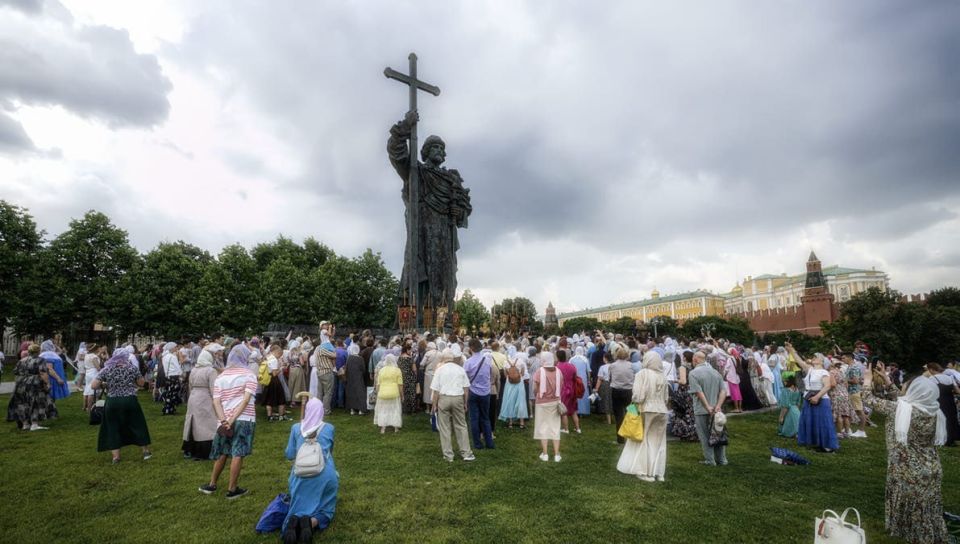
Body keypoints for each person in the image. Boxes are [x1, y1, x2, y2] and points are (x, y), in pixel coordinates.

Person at [862, 364, 949, 543]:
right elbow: (904, 400)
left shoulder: (901, 410)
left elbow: (868, 398)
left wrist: (867, 380)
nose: (903, 389)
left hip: (908, 470)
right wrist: (888, 381)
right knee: (928, 510)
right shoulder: (934, 410)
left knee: (914, 513)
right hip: (931, 468)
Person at [200, 344, 258, 499]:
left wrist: (224, 420)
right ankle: (232, 489)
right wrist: (232, 419)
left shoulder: (221, 377)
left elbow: (216, 402)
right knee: (238, 453)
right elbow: (246, 400)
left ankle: (212, 484)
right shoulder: (249, 375)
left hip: (224, 420)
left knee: (223, 452)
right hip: (244, 418)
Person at [282, 398, 338, 543]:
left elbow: (289, 454)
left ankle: (294, 521)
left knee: (298, 504)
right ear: (321, 412)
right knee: (327, 510)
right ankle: (311, 522)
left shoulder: (295, 428)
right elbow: (329, 453)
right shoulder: (329, 428)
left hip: (300, 475)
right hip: (325, 475)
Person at [90, 348, 152, 464]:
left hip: (113, 401)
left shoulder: (107, 369)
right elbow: (141, 383)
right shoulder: (132, 368)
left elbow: (93, 386)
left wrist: (105, 383)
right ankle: (145, 452)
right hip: (130, 400)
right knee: (138, 424)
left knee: (112, 427)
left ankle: (116, 457)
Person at [617, 351, 670, 481]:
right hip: (662, 410)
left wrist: (633, 405)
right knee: (659, 442)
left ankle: (643, 471)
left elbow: (638, 395)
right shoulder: (663, 376)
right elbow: (666, 397)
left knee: (644, 439)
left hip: (646, 408)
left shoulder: (642, 374)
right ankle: (658, 472)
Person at [430, 349, 475, 462]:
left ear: (444, 359)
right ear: (453, 359)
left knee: (445, 427)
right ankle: (466, 453)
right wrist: (465, 402)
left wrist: (434, 405)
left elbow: (435, 390)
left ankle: (448, 455)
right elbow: (466, 389)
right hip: (457, 398)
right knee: (461, 425)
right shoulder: (460, 369)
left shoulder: (440, 370)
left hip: (443, 398)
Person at [792, 346, 839, 453]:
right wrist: (791, 350)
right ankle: (815, 443)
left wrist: (817, 397)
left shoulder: (824, 372)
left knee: (822, 422)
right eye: (813, 356)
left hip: (821, 399)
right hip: (809, 397)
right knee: (811, 421)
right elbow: (798, 360)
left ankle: (827, 446)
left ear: (822, 361)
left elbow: (827, 386)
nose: (813, 358)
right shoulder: (810, 369)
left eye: (816, 357)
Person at [182, 344, 221, 461]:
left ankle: (190, 449)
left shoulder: (194, 370)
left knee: (193, 423)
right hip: (205, 398)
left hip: (193, 397)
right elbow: (214, 389)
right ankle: (205, 451)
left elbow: (190, 386)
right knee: (207, 424)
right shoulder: (211, 371)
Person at [688, 351, 728, 466]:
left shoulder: (693, 373)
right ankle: (722, 459)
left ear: (695, 360)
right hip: (717, 410)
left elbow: (699, 392)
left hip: (702, 409)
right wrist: (718, 406)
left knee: (704, 435)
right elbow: (723, 391)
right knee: (719, 434)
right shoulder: (715, 372)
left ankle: (710, 460)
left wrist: (707, 406)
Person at [6, 344, 58, 430]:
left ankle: (25, 424)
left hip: (22, 383)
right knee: (36, 402)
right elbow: (43, 373)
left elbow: (16, 372)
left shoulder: (22, 360)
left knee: (24, 403)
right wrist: (48, 383)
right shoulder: (40, 360)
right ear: (38, 351)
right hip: (35, 383)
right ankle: (34, 424)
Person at [464, 338, 496, 450]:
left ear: (471, 348)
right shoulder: (488, 360)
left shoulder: (468, 362)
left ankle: (477, 444)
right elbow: (491, 373)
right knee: (485, 418)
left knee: (474, 418)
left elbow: (464, 378)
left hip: (473, 391)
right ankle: (489, 443)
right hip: (486, 391)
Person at [532, 349, 563, 462]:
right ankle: (556, 455)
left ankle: (545, 454)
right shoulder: (559, 371)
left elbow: (535, 388)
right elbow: (561, 386)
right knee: (555, 427)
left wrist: (538, 394)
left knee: (542, 427)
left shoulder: (539, 372)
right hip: (555, 402)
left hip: (542, 402)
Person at [928, 363, 960, 447]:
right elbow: (957, 391)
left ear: (931, 369)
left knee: (941, 420)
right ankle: (952, 439)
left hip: (939, 401)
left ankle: (942, 438)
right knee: (951, 419)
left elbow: (930, 391)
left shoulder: (932, 378)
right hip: (950, 401)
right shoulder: (950, 378)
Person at [609, 344, 635, 444]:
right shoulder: (631, 366)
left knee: (619, 415)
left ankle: (620, 439)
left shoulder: (612, 366)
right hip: (629, 392)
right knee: (632, 413)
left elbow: (610, 377)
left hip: (616, 391)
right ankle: (632, 435)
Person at [669, 351, 698, 441]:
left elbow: (683, 381)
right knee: (691, 412)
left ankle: (684, 431)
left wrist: (675, 380)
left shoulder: (683, 367)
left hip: (684, 391)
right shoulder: (694, 367)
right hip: (692, 390)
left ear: (685, 357)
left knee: (680, 411)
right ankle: (694, 431)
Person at [499, 346, 529, 428]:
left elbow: (505, 375)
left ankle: (510, 423)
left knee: (509, 401)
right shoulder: (520, 361)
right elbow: (522, 373)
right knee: (521, 401)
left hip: (509, 384)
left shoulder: (506, 362)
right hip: (519, 383)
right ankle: (522, 423)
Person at [374, 354, 403, 433]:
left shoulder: (381, 370)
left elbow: (378, 384)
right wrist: (402, 395)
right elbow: (400, 384)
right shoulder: (397, 370)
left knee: (383, 410)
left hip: (382, 393)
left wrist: (377, 393)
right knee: (395, 410)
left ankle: (383, 428)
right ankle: (396, 428)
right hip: (394, 393)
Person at [261, 345, 289, 422]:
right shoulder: (274, 360)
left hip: (268, 379)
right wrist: (281, 368)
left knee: (269, 398)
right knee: (281, 398)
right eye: (279, 354)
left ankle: (269, 416)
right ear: (276, 352)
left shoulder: (268, 357)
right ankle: (281, 415)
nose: (279, 356)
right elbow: (274, 373)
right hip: (274, 380)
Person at [556, 350, 581, 434]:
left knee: (563, 410)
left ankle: (566, 429)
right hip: (572, 388)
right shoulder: (571, 366)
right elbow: (575, 376)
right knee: (573, 410)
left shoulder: (557, 367)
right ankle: (578, 429)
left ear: (558, 357)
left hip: (562, 389)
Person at [829, 358, 854, 439]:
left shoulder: (831, 372)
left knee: (839, 415)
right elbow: (846, 385)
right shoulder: (843, 372)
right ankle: (847, 432)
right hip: (845, 394)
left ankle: (839, 433)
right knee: (846, 415)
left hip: (836, 395)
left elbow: (832, 385)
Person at [310, 342, 337, 413]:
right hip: (327, 371)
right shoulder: (323, 349)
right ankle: (326, 410)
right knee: (328, 392)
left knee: (320, 392)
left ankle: (318, 408)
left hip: (320, 372)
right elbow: (334, 355)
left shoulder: (317, 349)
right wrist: (333, 350)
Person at [344, 343, 367, 415]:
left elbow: (346, 368)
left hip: (350, 377)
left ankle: (352, 409)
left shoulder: (349, 358)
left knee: (351, 393)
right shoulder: (360, 359)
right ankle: (360, 410)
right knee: (360, 393)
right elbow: (363, 369)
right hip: (358, 378)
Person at [161, 341, 183, 415]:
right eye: (176, 347)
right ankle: (171, 409)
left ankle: (168, 408)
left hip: (167, 376)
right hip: (174, 376)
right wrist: (181, 374)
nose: (177, 348)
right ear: (172, 348)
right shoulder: (173, 357)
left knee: (169, 393)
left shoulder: (164, 357)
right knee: (173, 394)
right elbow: (177, 367)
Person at [397, 342, 418, 414]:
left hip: (402, 377)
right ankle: (412, 409)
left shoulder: (399, 358)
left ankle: (404, 409)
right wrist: (416, 376)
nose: (411, 352)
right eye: (410, 350)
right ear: (407, 350)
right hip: (410, 377)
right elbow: (414, 369)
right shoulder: (410, 358)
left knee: (404, 392)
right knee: (411, 393)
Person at [571, 346, 591, 416]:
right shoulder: (585, 359)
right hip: (583, 379)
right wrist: (589, 380)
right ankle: (584, 410)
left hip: (574, 378)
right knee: (583, 393)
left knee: (576, 393)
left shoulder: (572, 359)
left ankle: (575, 410)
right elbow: (588, 371)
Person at [81, 344, 102, 411]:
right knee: (92, 391)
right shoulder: (93, 356)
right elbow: (98, 367)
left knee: (87, 389)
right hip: (93, 373)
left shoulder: (87, 355)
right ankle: (89, 408)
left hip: (88, 372)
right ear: (95, 349)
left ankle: (84, 406)